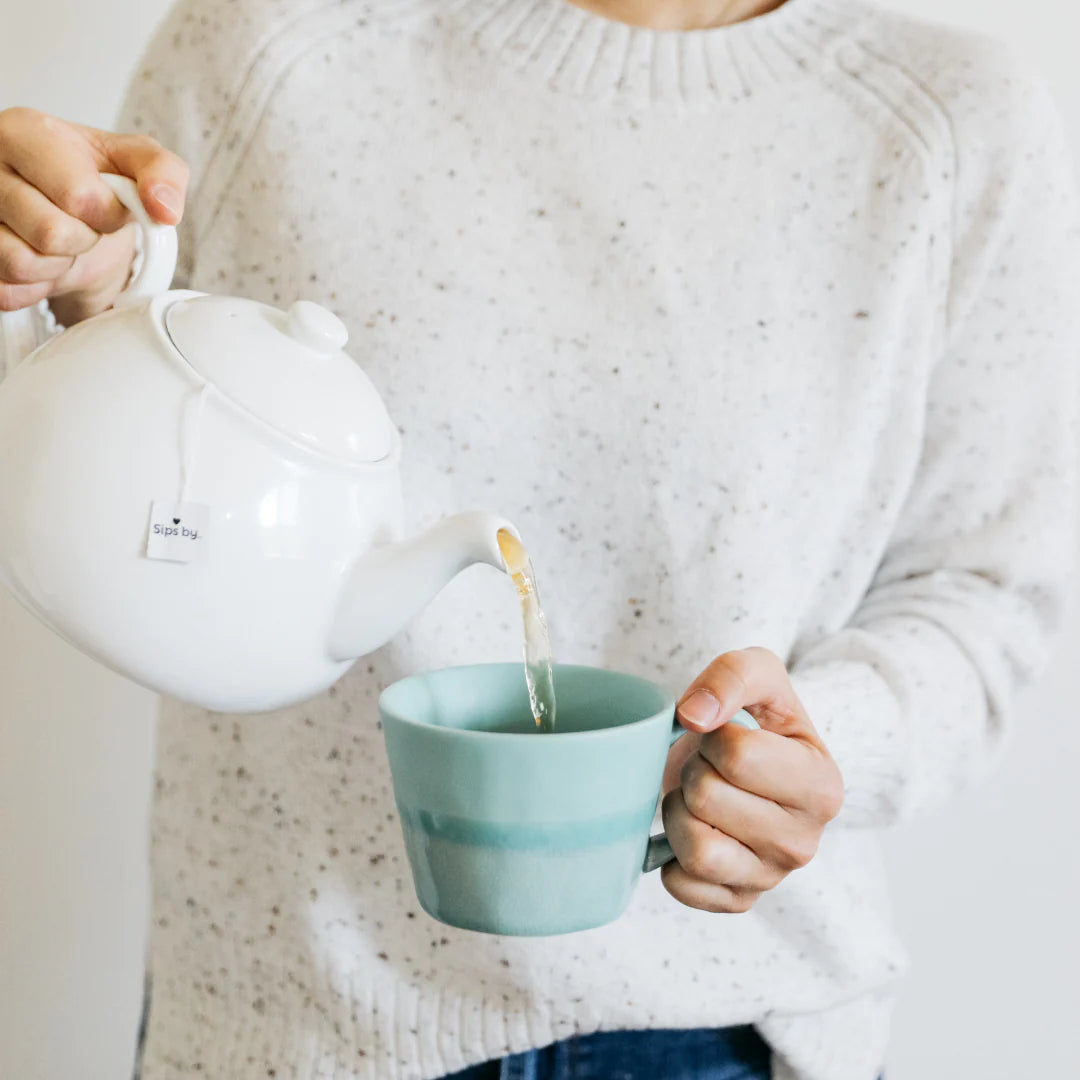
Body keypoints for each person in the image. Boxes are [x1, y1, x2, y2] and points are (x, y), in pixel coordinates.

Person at [0, 0, 1076, 1077]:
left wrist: (818, 746)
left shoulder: (950, 123)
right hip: (295, 1020)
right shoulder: (271, 41)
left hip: (725, 1031)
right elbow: (154, 489)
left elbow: (981, 590)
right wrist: (78, 309)